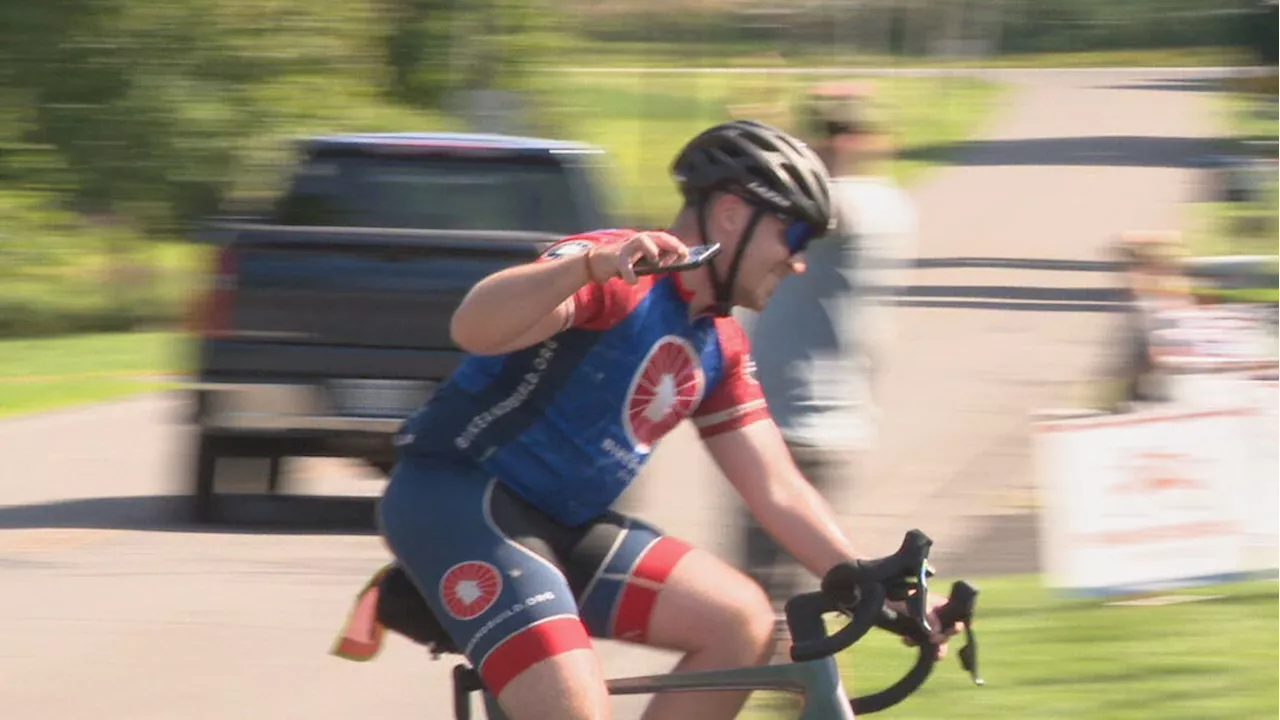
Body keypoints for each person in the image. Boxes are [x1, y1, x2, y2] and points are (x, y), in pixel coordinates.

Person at [355, 120, 956, 720]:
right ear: (729, 214)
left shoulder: (719, 344)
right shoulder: (622, 274)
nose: (797, 262)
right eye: (792, 233)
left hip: (564, 525)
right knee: (576, 709)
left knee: (740, 622)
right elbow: (474, 327)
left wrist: (869, 588)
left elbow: (776, 487)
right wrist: (588, 267)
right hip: (457, 500)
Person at [735, 83, 919, 622]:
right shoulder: (888, 203)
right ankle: (811, 695)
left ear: (869, 139)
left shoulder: (857, 205)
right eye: (825, 130)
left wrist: (763, 142)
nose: (831, 142)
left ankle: (810, 699)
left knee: (770, 599)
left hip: (800, 422)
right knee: (795, 593)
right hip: (812, 420)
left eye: (839, 131)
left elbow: (790, 203)